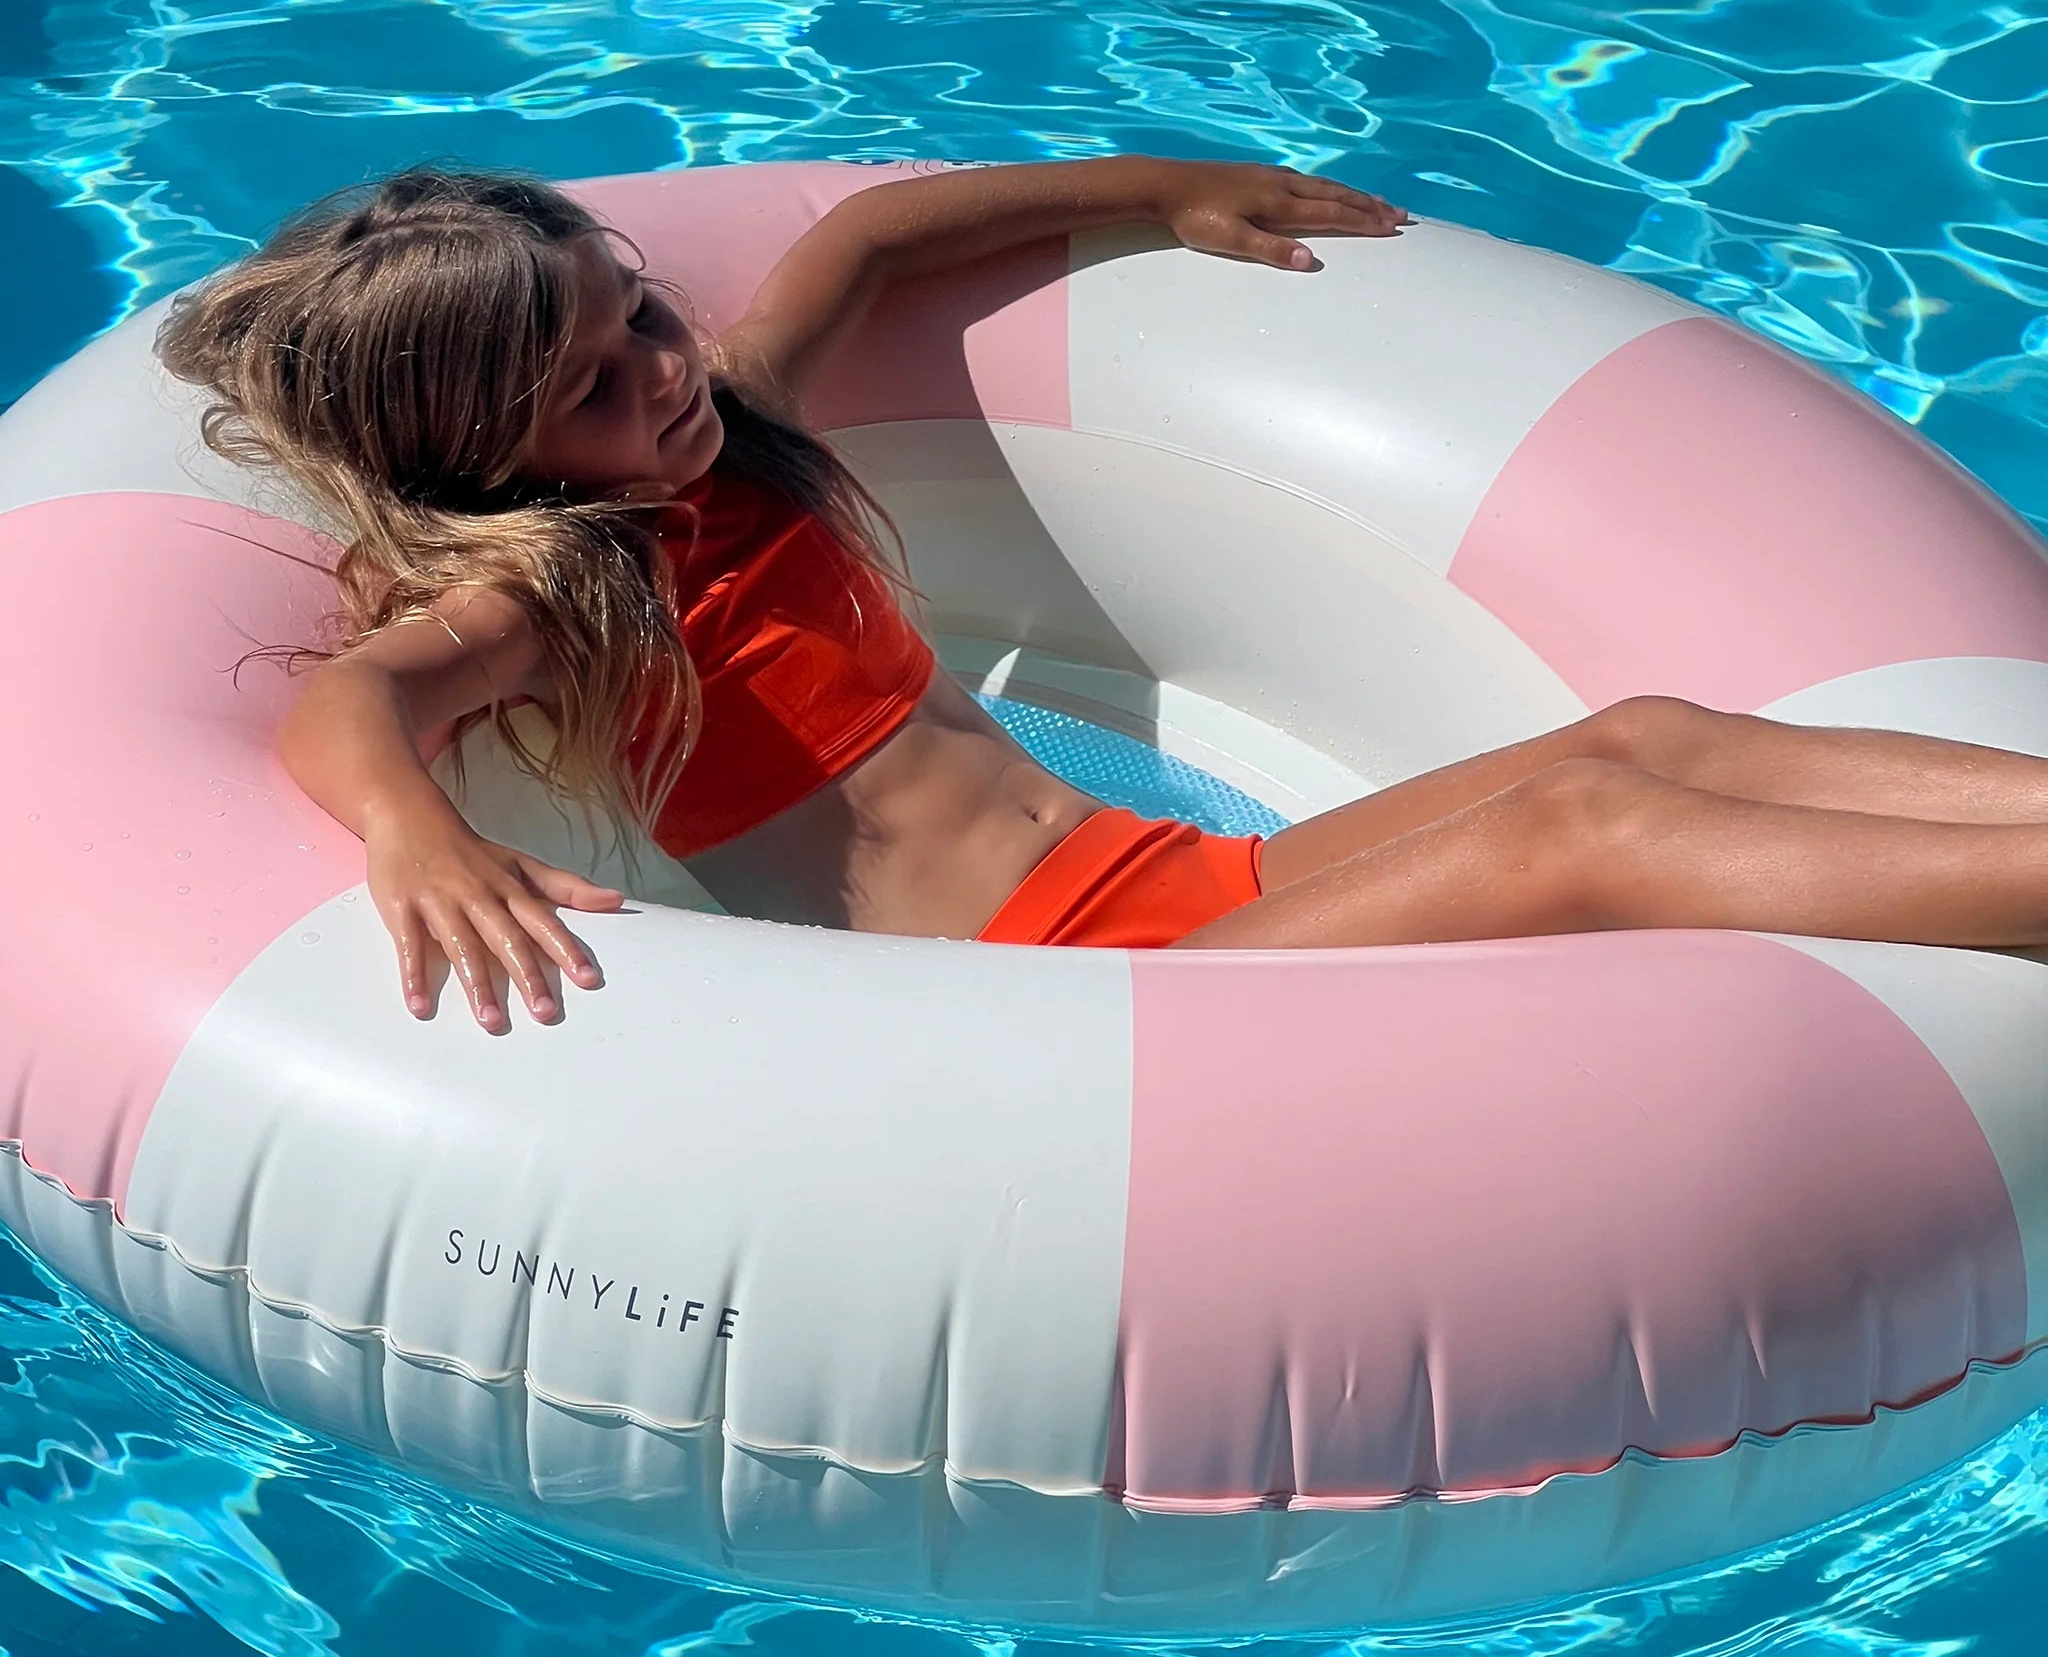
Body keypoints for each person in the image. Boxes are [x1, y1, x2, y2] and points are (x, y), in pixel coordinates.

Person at [159, 157, 2048, 1034]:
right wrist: (417, 843)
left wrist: (1162, 191)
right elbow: (358, 703)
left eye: (638, 311)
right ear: (493, 459)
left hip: (1177, 885)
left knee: (1644, 740)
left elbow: (875, 233)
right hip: (1062, 1003)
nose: (657, 367)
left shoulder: (732, 428)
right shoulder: (568, 600)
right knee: (1584, 824)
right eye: (590, 383)